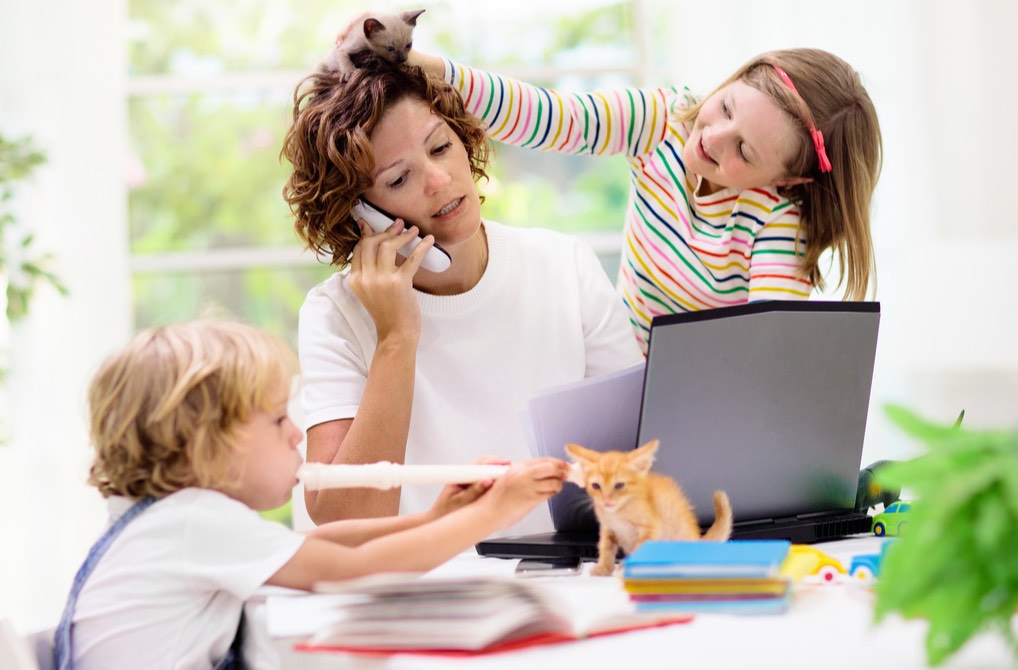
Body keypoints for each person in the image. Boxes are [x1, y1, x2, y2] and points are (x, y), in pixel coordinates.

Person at [52, 319, 568, 669]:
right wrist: (493, 515)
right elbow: (352, 572)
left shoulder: (169, 522)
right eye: (278, 419)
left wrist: (436, 517)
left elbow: (326, 547)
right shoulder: (192, 521)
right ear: (203, 448)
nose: (297, 434)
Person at [280, 56, 642, 533]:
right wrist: (396, 337)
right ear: (358, 215)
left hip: (563, 580)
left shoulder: (564, 266)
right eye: (398, 179)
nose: (439, 179)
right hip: (414, 591)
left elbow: (642, 458)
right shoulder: (335, 315)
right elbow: (344, 523)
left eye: (440, 147)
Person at [407, 48, 883, 354]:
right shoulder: (664, 120)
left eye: (744, 150)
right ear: (735, 77)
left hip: (697, 401)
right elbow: (551, 118)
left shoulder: (779, 220)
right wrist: (427, 66)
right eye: (726, 107)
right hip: (614, 366)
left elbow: (766, 349)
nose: (712, 137)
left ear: (789, 179)